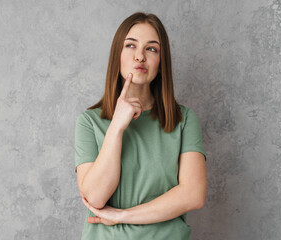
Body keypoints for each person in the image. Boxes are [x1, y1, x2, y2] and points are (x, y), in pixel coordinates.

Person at [74, 12, 207, 240]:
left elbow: (193, 195)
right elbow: (95, 197)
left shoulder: (183, 119)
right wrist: (116, 126)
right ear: (117, 55)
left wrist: (122, 215)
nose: (140, 57)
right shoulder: (89, 122)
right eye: (130, 46)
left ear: (161, 63)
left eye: (151, 49)